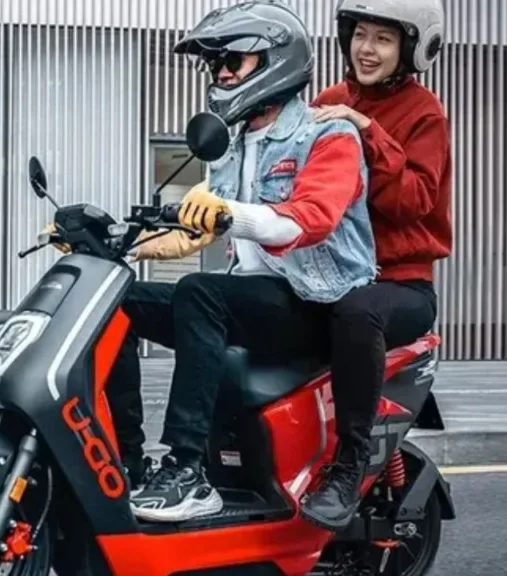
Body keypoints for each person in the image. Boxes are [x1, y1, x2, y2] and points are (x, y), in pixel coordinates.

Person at [93, 0, 379, 523]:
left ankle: (187, 469)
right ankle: (127, 462)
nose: (221, 73)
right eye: (214, 63)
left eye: (233, 61)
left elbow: (307, 219)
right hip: (252, 300)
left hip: (314, 303)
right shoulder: (233, 143)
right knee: (116, 301)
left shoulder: (328, 137)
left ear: (276, 62)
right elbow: (195, 223)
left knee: (200, 292)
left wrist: (229, 214)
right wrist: (107, 238)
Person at [299, 0, 452, 531]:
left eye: (383, 39)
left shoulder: (425, 113)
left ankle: (349, 465)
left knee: (357, 310)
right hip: (331, 277)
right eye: (360, 34)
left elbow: (413, 202)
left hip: (400, 286)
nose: (366, 49)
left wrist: (365, 127)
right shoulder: (329, 101)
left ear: (411, 49)